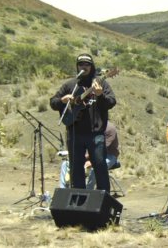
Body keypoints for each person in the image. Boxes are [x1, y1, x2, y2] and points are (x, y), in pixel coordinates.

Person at [50, 53, 116, 192]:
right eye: (81, 64)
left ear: (92, 67)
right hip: (75, 132)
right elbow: (53, 102)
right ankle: (78, 198)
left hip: (95, 133)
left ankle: (103, 197)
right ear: (77, 66)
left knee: (99, 166)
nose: (84, 67)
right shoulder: (70, 85)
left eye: (87, 64)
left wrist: (100, 96)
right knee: (76, 167)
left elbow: (111, 102)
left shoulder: (101, 83)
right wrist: (62, 100)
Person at [59, 122, 120, 189]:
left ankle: (89, 190)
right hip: (91, 156)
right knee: (65, 164)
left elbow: (101, 149)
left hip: (109, 156)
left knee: (95, 168)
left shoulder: (110, 128)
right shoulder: (89, 127)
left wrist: (89, 160)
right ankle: (63, 189)